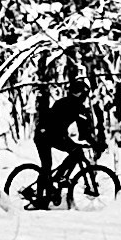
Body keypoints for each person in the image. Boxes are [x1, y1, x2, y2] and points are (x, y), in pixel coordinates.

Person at [31, 77, 104, 209]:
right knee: (47, 166)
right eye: (84, 94)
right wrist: (95, 143)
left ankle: (58, 179)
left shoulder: (76, 106)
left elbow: (84, 132)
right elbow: (83, 131)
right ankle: (41, 197)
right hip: (44, 135)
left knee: (76, 151)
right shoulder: (67, 104)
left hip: (56, 135)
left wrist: (94, 143)